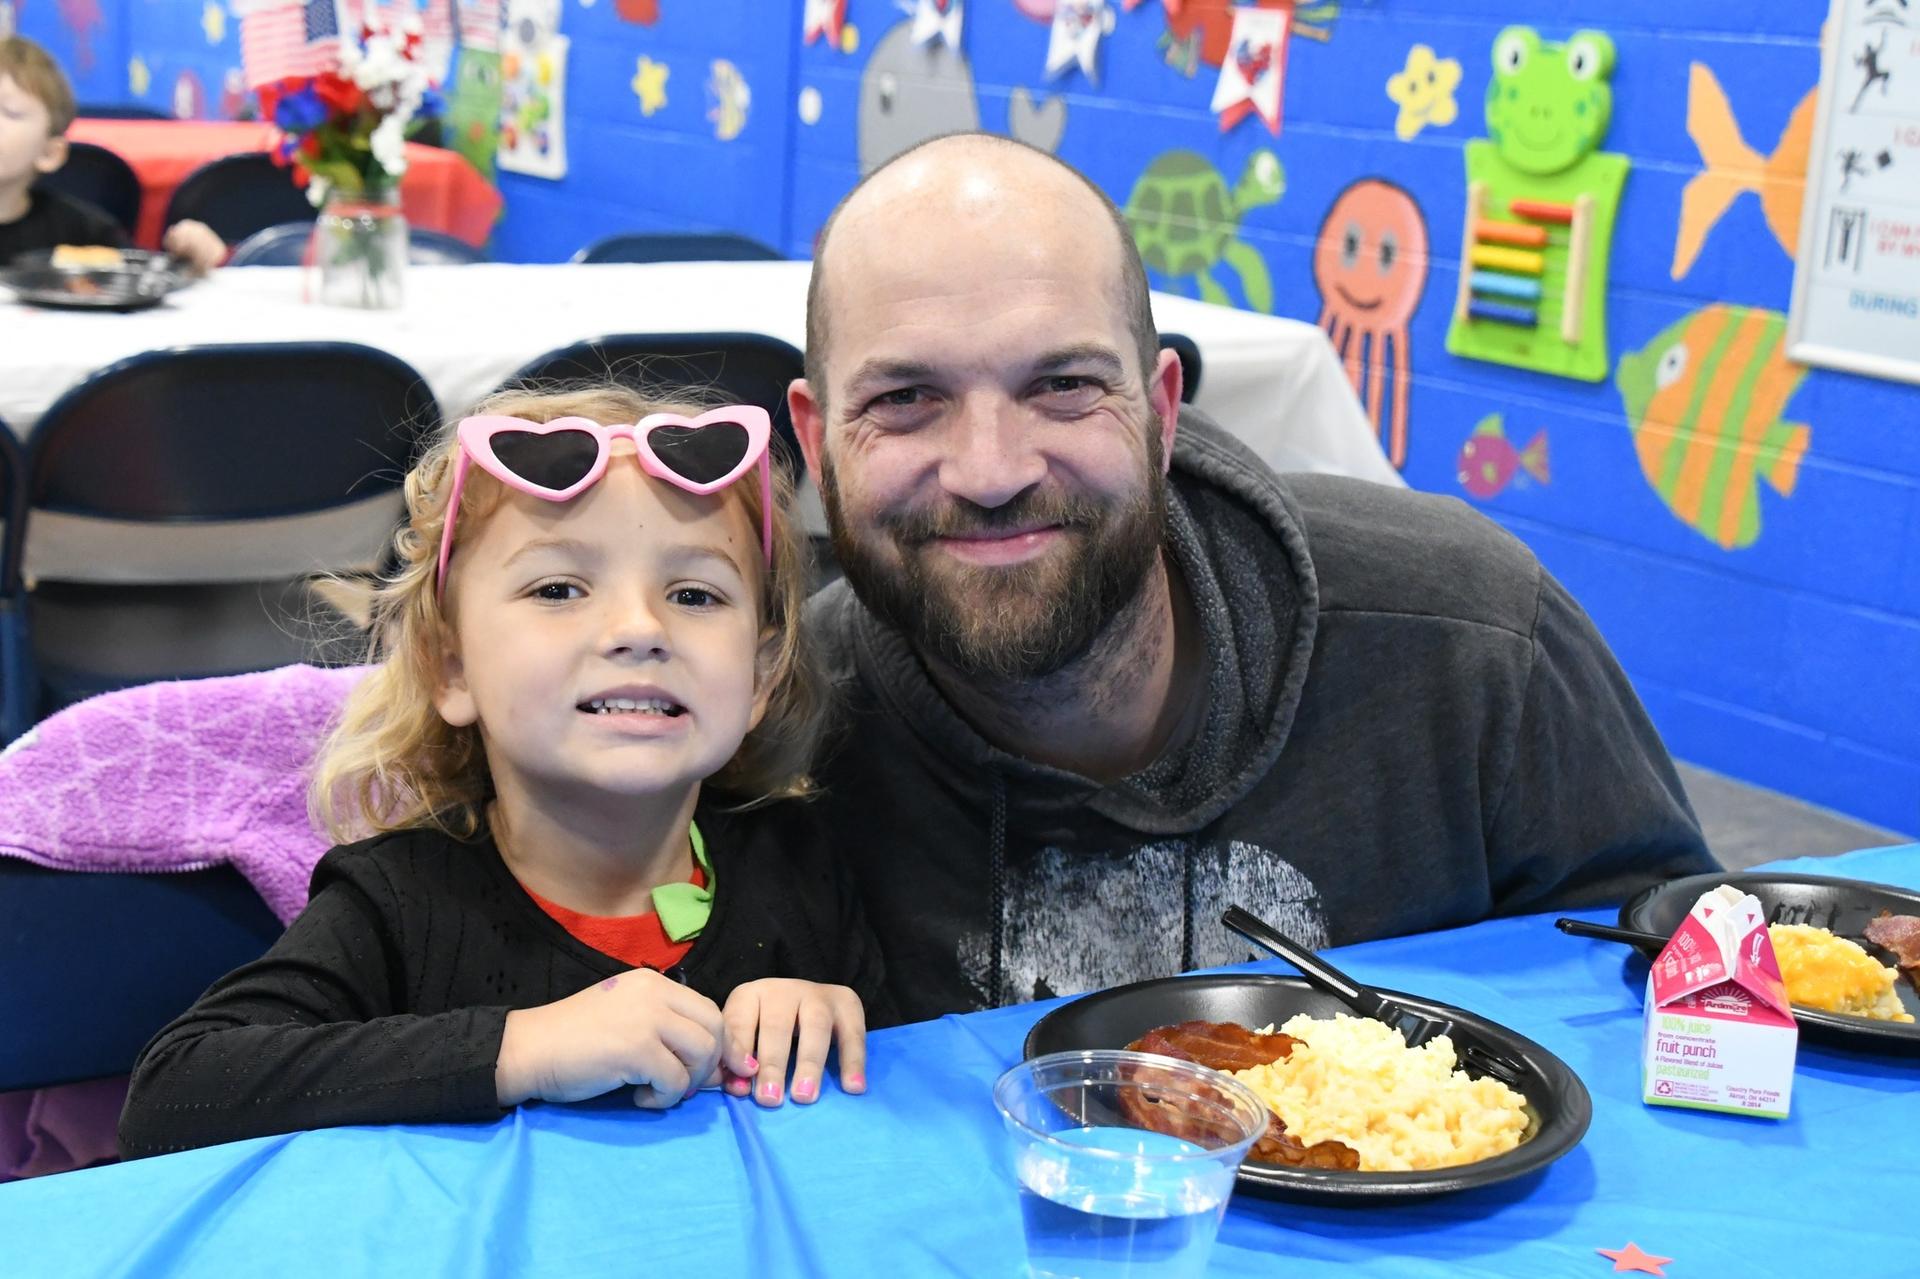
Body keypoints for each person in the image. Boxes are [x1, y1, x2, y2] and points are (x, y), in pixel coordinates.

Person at [787, 133, 1719, 1023]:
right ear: (815, 441)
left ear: (1158, 413)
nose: (990, 472)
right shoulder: (772, 728)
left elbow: (1687, 976)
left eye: (1064, 384)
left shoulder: (1472, 641)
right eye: (904, 400)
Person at [119, 384, 887, 1158]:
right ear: (449, 666)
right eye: (558, 589)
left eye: (694, 593)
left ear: (759, 678)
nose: (639, 628)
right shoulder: (397, 902)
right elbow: (173, 1093)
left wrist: (829, 1015)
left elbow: (896, 1111)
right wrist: (521, 1049)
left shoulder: (799, 864)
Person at [0, 35, 225, 269]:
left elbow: (139, 279)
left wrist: (188, 257)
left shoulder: (84, 232)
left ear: (49, 153)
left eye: (10, 112)